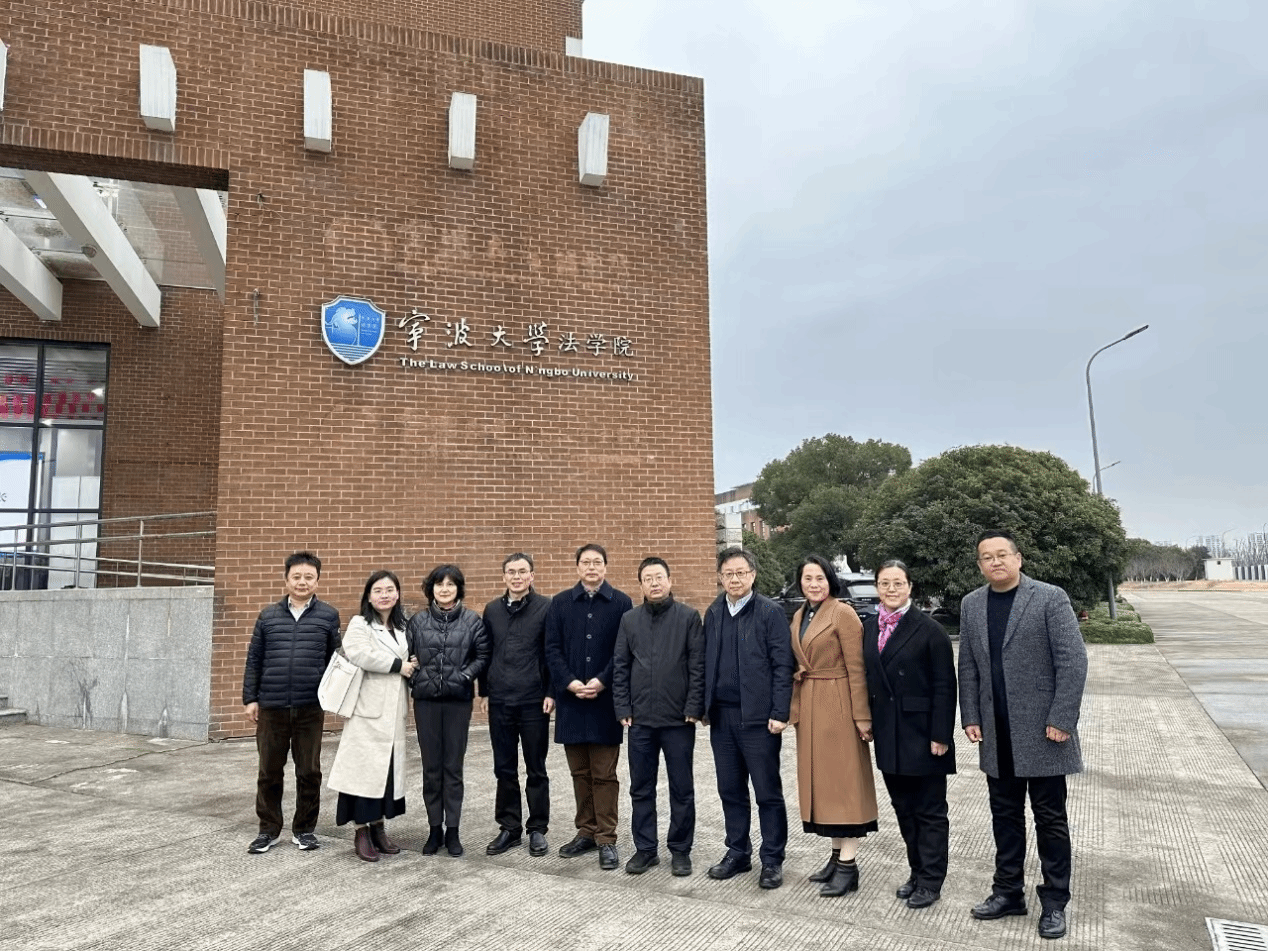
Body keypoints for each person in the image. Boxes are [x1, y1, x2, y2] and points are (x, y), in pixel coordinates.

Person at [959, 530, 1088, 941]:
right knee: (1005, 818)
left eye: (1002, 554)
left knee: (1050, 820)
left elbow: (1073, 661)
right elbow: (968, 666)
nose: (995, 561)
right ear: (980, 564)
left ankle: (1055, 903)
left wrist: (1062, 718)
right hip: (996, 733)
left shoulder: (1049, 598)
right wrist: (970, 715)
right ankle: (1008, 892)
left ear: (1018, 558)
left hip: (1044, 731)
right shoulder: (972, 604)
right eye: (987, 557)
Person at [862, 559, 957, 909]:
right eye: (885, 583)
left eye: (898, 583)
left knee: (929, 811)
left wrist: (941, 735)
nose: (891, 589)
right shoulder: (869, 627)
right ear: (877, 587)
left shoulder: (930, 629)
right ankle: (917, 872)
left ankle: (931, 881)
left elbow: (945, 685)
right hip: (889, 731)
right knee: (903, 808)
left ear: (910, 587)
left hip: (923, 733)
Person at [702, 546, 796, 889]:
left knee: (767, 792)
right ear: (720, 577)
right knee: (730, 790)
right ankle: (737, 852)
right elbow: (704, 662)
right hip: (722, 717)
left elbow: (783, 665)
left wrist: (780, 712)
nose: (735, 579)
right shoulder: (714, 612)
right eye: (728, 573)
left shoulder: (770, 612)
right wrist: (702, 707)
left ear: (753, 575)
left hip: (759, 720)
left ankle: (772, 859)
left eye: (741, 572)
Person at [788, 554, 878, 898]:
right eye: (808, 578)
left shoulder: (843, 613)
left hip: (839, 703)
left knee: (845, 786)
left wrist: (862, 717)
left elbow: (857, 668)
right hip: (812, 704)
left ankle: (848, 866)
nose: (814, 584)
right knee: (826, 787)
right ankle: (836, 856)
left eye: (820, 578)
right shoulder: (801, 614)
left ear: (830, 580)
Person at [241, 551, 341, 854]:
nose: (302, 582)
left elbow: (335, 662)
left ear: (317, 581)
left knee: (309, 772)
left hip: (310, 707)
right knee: (269, 772)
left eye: (309, 577)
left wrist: (332, 697)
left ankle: (304, 830)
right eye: (296, 576)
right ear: (286, 579)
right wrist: (250, 698)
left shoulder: (328, 616)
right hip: (271, 706)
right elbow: (254, 659)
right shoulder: (268, 616)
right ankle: (268, 830)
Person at [612, 557, 705, 877]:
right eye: (648, 578)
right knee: (641, 788)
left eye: (659, 577)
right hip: (639, 721)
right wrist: (623, 708)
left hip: (679, 721)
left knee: (682, 788)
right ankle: (645, 849)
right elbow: (620, 666)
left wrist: (693, 707)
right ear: (640, 585)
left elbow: (697, 666)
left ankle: (680, 850)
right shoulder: (629, 620)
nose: (654, 583)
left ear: (669, 581)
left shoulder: (688, 617)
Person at [545, 543, 633, 870]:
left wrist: (602, 680)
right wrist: (568, 682)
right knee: (579, 772)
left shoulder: (621, 603)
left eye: (597, 562)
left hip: (605, 702)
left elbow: (623, 650)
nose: (592, 567)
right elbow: (552, 649)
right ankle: (586, 831)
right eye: (586, 562)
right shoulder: (560, 603)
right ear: (577, 567)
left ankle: (606, 838)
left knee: (604, 774)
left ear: (605, 567)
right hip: (571, 701)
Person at [327, 570, 417, 862]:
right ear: (368, 596)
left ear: (398, 594)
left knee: (386, 774)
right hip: (367, 710)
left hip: (394, 710)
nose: (384, 595)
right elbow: (358, 654)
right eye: (378, 590)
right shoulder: (360, 624)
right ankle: (361, 831)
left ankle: (379, 828)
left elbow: (409, 657)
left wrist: (412, 661)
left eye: (389, 589)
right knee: (362, 774)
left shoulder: (402, 627)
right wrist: (399, 665)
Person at [406, 563, 490, 858]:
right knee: (431, 769)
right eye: (439, 584)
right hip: (426, 702)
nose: (444, 589)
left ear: (458, 589)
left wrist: (465, 676)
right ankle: (434, 829)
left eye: (450, 584)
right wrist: (416, 676)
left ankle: (452, 830)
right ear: (431, 589)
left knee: (452, 768)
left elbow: (483, 655)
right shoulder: (417, 622)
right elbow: (406, 655)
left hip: (457, 702)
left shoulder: (472, 621)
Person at [478, 552, 554, 858]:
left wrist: (551, 692)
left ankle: (537, 829)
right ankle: (509, 828)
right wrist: (484, 692)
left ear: (532, 576)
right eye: (511, 571)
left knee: (536, 768)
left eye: (523, 571)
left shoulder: (546, 607)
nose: (517, 577)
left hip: (534, 700)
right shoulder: (492, 610)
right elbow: (485, 651)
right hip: (500, 700)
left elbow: (552, 652)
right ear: (504, 576)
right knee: (504, 768)